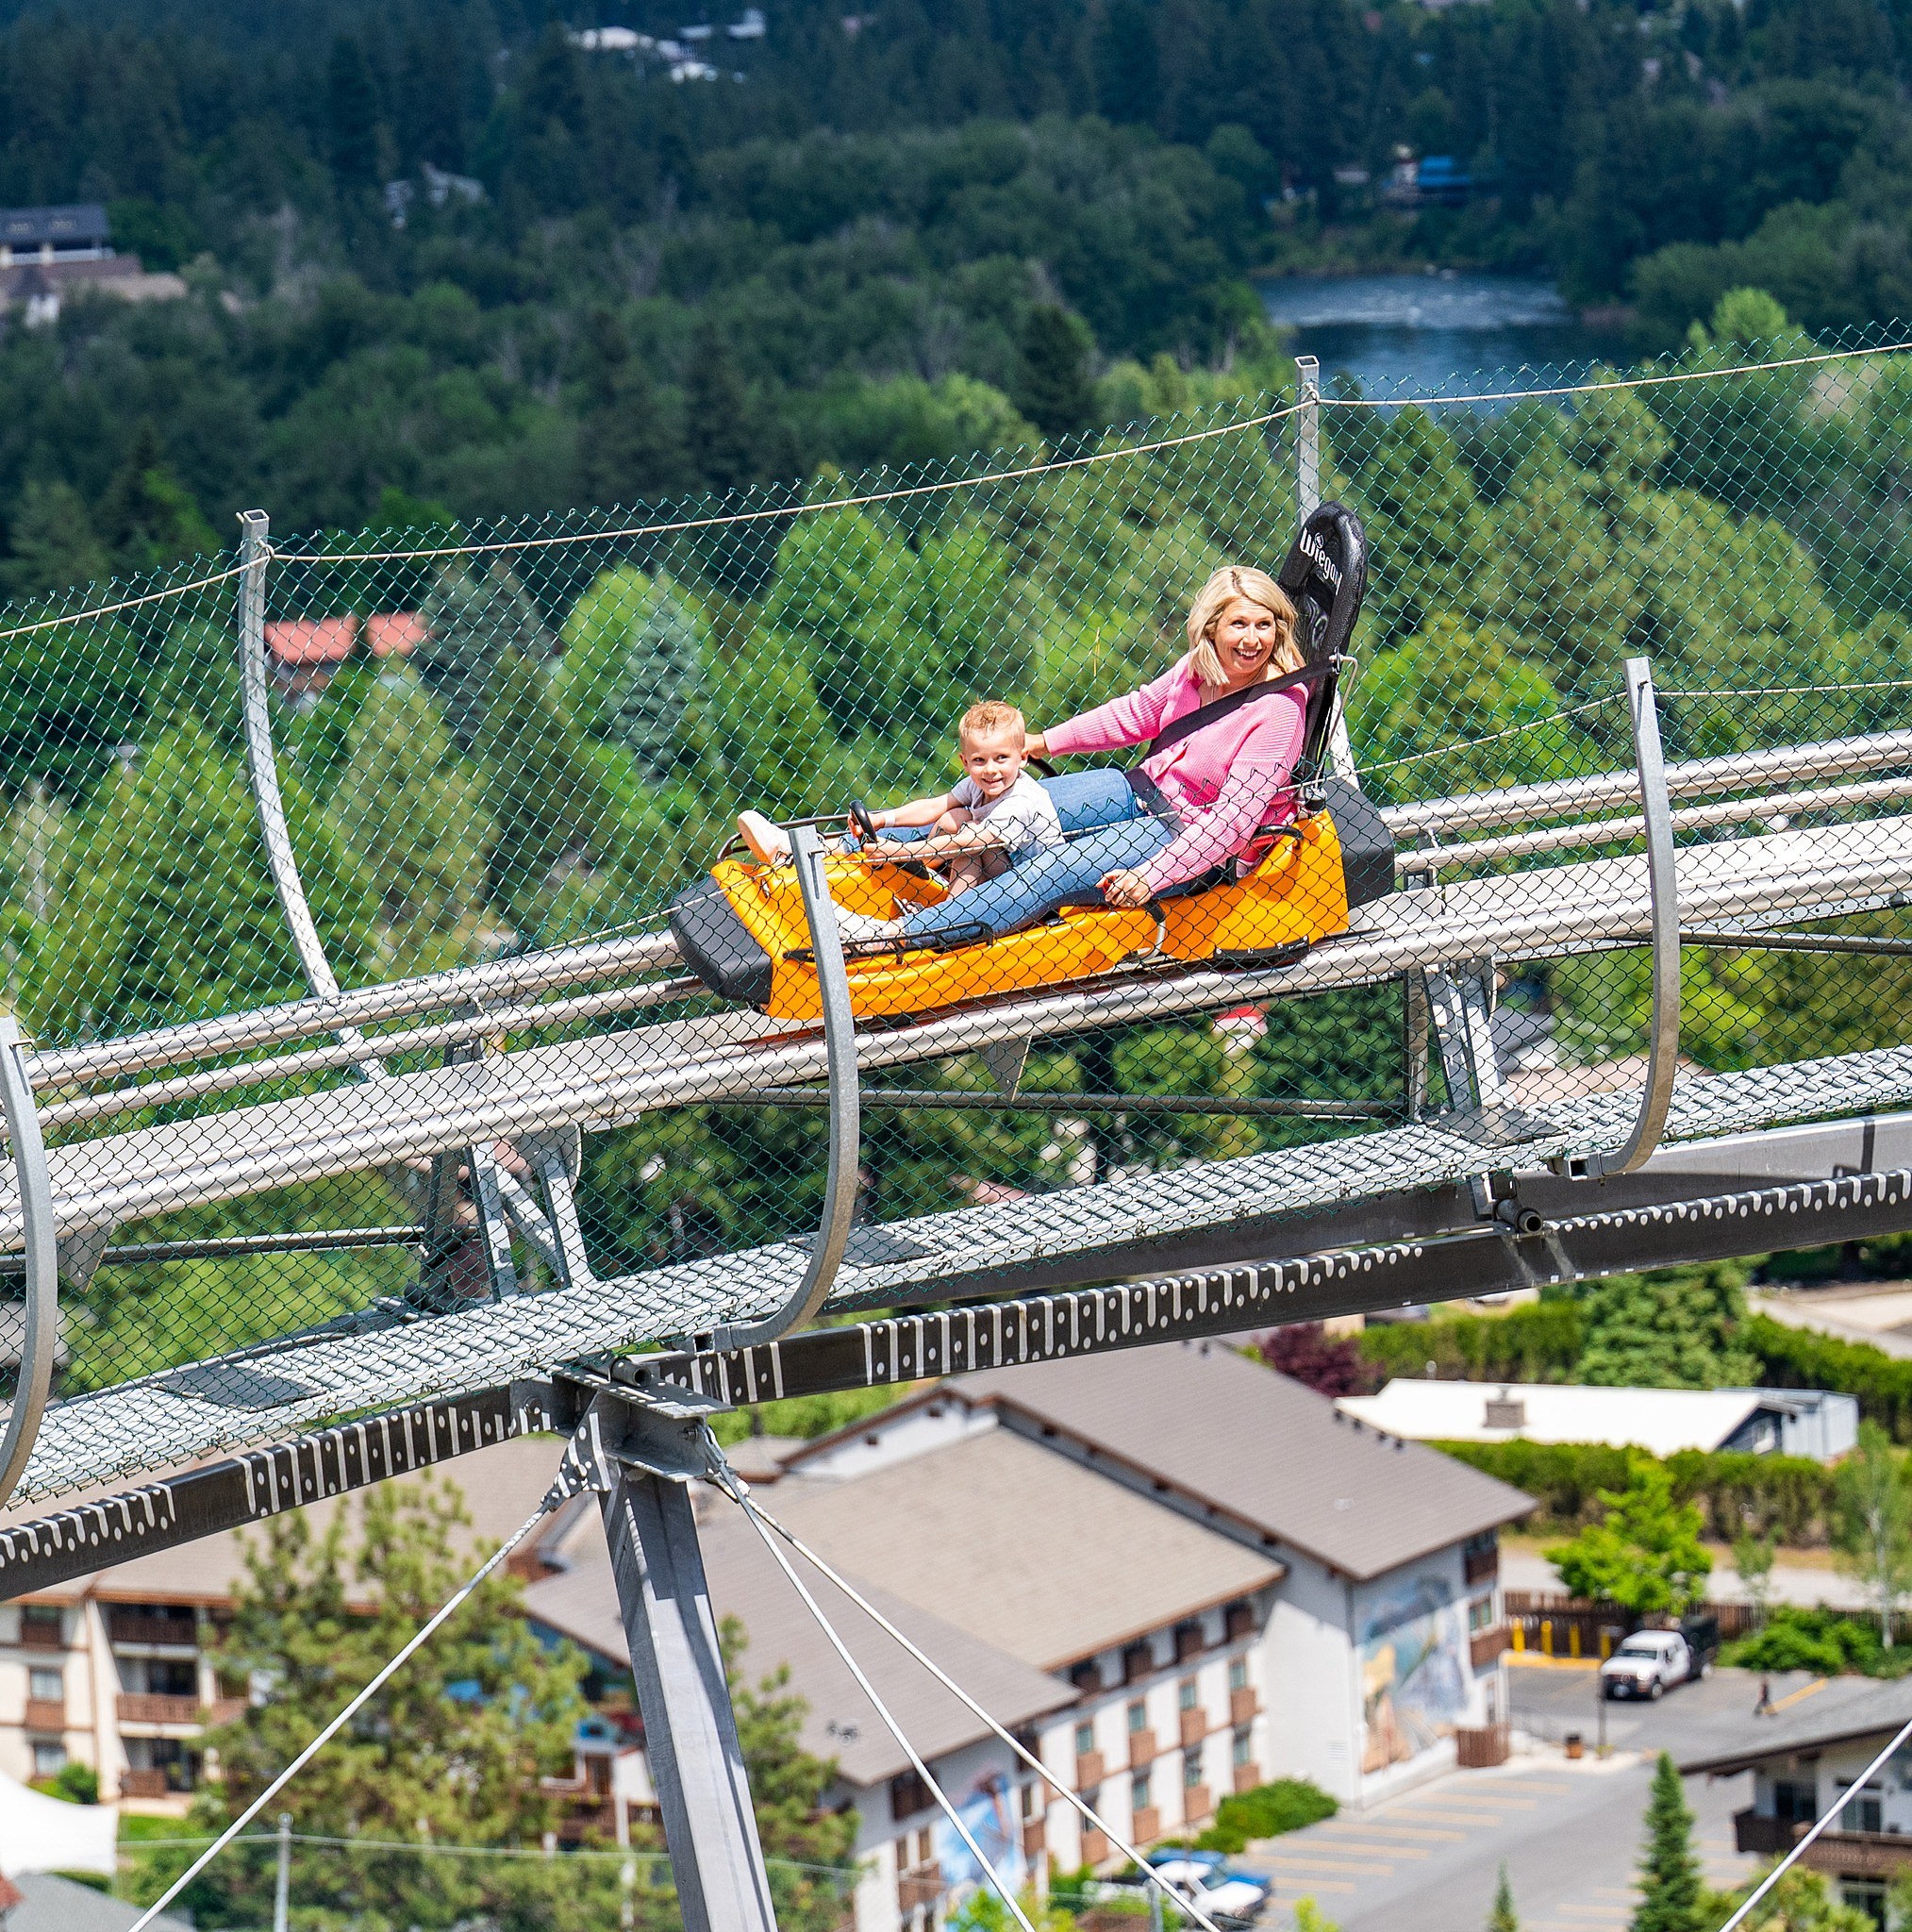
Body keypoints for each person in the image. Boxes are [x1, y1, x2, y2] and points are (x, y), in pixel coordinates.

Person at [812, 563, 1310, 947]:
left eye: (1263, 625)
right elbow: (1137, 713)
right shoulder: (1198, 670)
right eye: (1238, 624)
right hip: (1136, 788)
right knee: (999, 806)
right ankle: (833, 855)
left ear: (1278, 629)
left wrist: (1152, 877)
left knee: (1047, 870)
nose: (1251, 640)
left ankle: (890, 938)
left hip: (1184, 835)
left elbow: (1232, 822)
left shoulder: (1278, 711)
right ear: (1211, 629)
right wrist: (1041, 742)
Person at [738, 700, 1064, 898]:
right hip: (999, 867)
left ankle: (952, 918)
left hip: (1031, 884)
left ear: (1023, 758)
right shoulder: (978, 784)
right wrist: (883, 818)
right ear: (965, 762)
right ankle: (817, 851)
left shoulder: (1022, 799)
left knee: (968, 842)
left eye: (1001, 759)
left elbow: (973, 842)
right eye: (979, 761)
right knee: (955, 818)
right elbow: (936, 805)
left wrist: (901, 853)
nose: (990, 770)